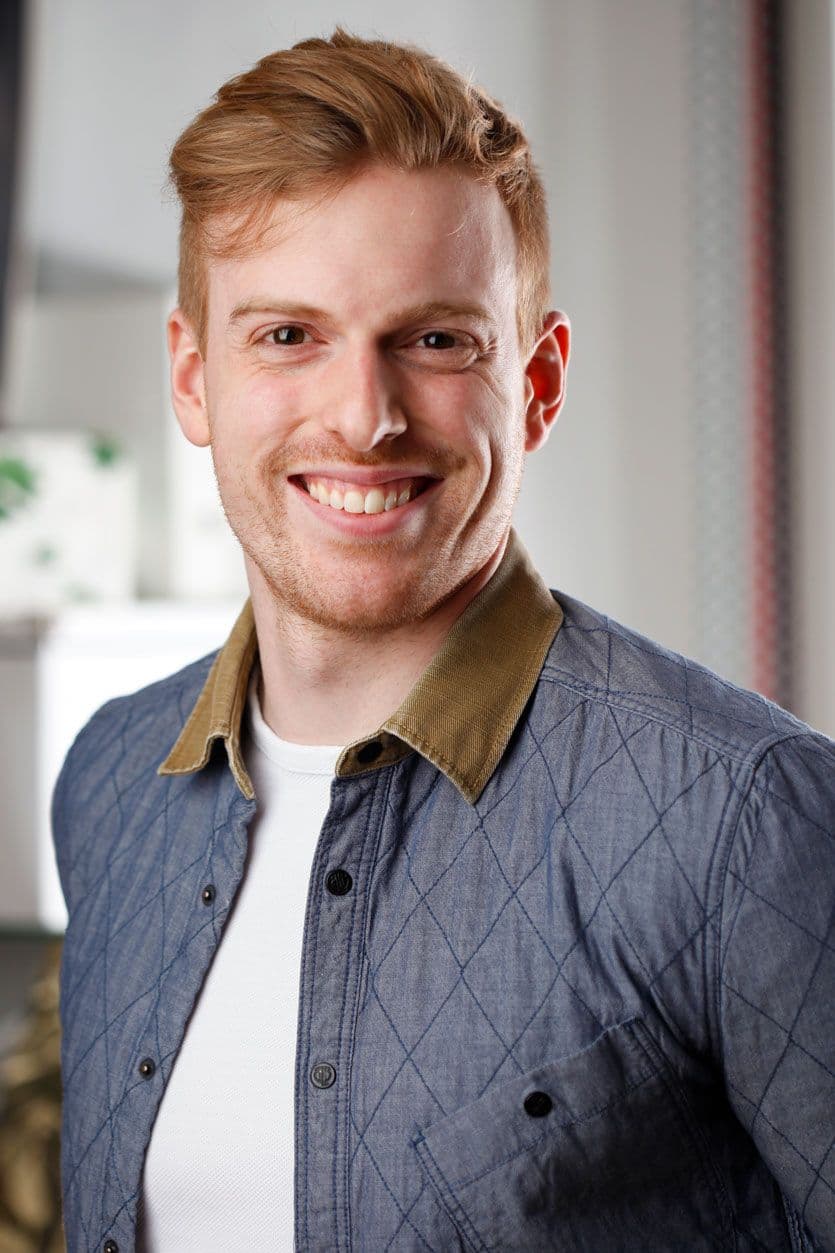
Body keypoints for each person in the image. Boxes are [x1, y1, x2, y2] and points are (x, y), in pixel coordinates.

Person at [52, 29, 834, 1253]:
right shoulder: (109, 778)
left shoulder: (745, 817)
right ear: (194, 377)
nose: (363, 417)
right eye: (288, 335)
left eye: (434, 339)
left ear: (538, 380)